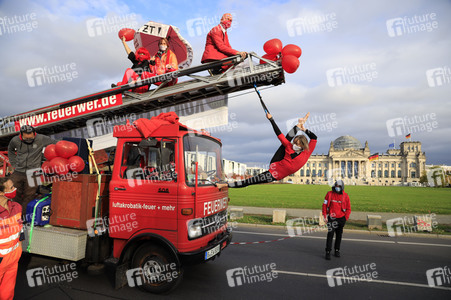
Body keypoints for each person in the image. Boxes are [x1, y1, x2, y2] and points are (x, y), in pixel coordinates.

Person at [219, 112, 316, 188]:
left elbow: (314, 137)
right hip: (276, 162)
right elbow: (279, 134)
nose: (294, 145)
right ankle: (298, 126)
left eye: (297, 144)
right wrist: (271, 119)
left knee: (250, 181)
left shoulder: (307, 152)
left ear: (303, 146)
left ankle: (225, 185)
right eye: (294, 142)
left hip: (274, 174)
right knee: (285, 142)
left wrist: (305, 130)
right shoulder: (289, 146)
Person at [7, 125, 56, 212]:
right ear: (21, 135)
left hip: (34, 172)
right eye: (26, 138)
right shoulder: (15, 140)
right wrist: (14, 163)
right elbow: (10, 150)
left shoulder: (41, 138)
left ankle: (25, 216)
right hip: (18, 171)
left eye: (31, 137)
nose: (29, 139)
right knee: (13, 191)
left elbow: (56, 143)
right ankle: (17, 212)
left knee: (30, 195)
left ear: (34, 133)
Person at [0, 177, 23, 300]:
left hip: (13, 257)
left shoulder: (16, 207)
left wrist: (19, 246)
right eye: (11, 188)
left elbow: (20, 228)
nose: (15, 189)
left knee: (7, 292)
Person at [322, 180, 351, 260]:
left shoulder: (345, 196)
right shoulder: (329, 194)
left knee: (339, 236)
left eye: (339, 187)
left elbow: (348, 208)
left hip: (341, 218)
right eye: (336, 187)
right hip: (332, 218)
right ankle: (328, 251)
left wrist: (345, 218)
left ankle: (337, 250)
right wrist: (325, 216)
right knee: (330, 235)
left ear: (342, 187)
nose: (337, 188)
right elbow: (324, 205)